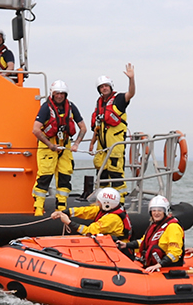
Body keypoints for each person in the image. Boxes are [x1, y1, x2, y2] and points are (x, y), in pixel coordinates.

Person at [32, 80, 83, 215]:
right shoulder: (45, 108)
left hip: (64, 146)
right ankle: (38, 207)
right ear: (52, 94)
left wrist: (76, 143)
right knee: (44, 176)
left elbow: (83, 127)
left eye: (62, 93)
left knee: (65, 176)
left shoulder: (71, 107)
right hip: (47, 147)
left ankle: (61, 207)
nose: (59, 96)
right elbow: (36, 130)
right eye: (57, 93)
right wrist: (50, 145)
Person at [89, 64, 135, 188]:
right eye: (101, 87)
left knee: (116, 174)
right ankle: (103, 200)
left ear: (110, 86)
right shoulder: (99, 104)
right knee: (101, 174)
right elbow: (97, 125)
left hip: (115, 145)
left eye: (106, 86)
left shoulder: (119, 99)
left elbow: (131, 93)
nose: (104, 88)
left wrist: (131, 79)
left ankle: (120, 201)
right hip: (101, 146)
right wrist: (92, 143)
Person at [55, 187, 131, 239]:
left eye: (99, 201)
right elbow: (86, 211)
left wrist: (69, 222)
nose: (97, 202)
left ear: (107, 204)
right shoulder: (108, 209)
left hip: (118, 248)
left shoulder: (112, 219)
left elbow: (89, 231)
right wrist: (66, 212)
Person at [135, 195, 184, 270]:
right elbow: (143, 241)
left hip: (167, 267)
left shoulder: (173, 227)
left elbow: (175, 252)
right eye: (154, 210)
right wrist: (126, 245)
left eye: (160, 210)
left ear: (165, 211)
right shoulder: (155, 225)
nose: (156, 213)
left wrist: (159, 265)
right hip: (153, 263)